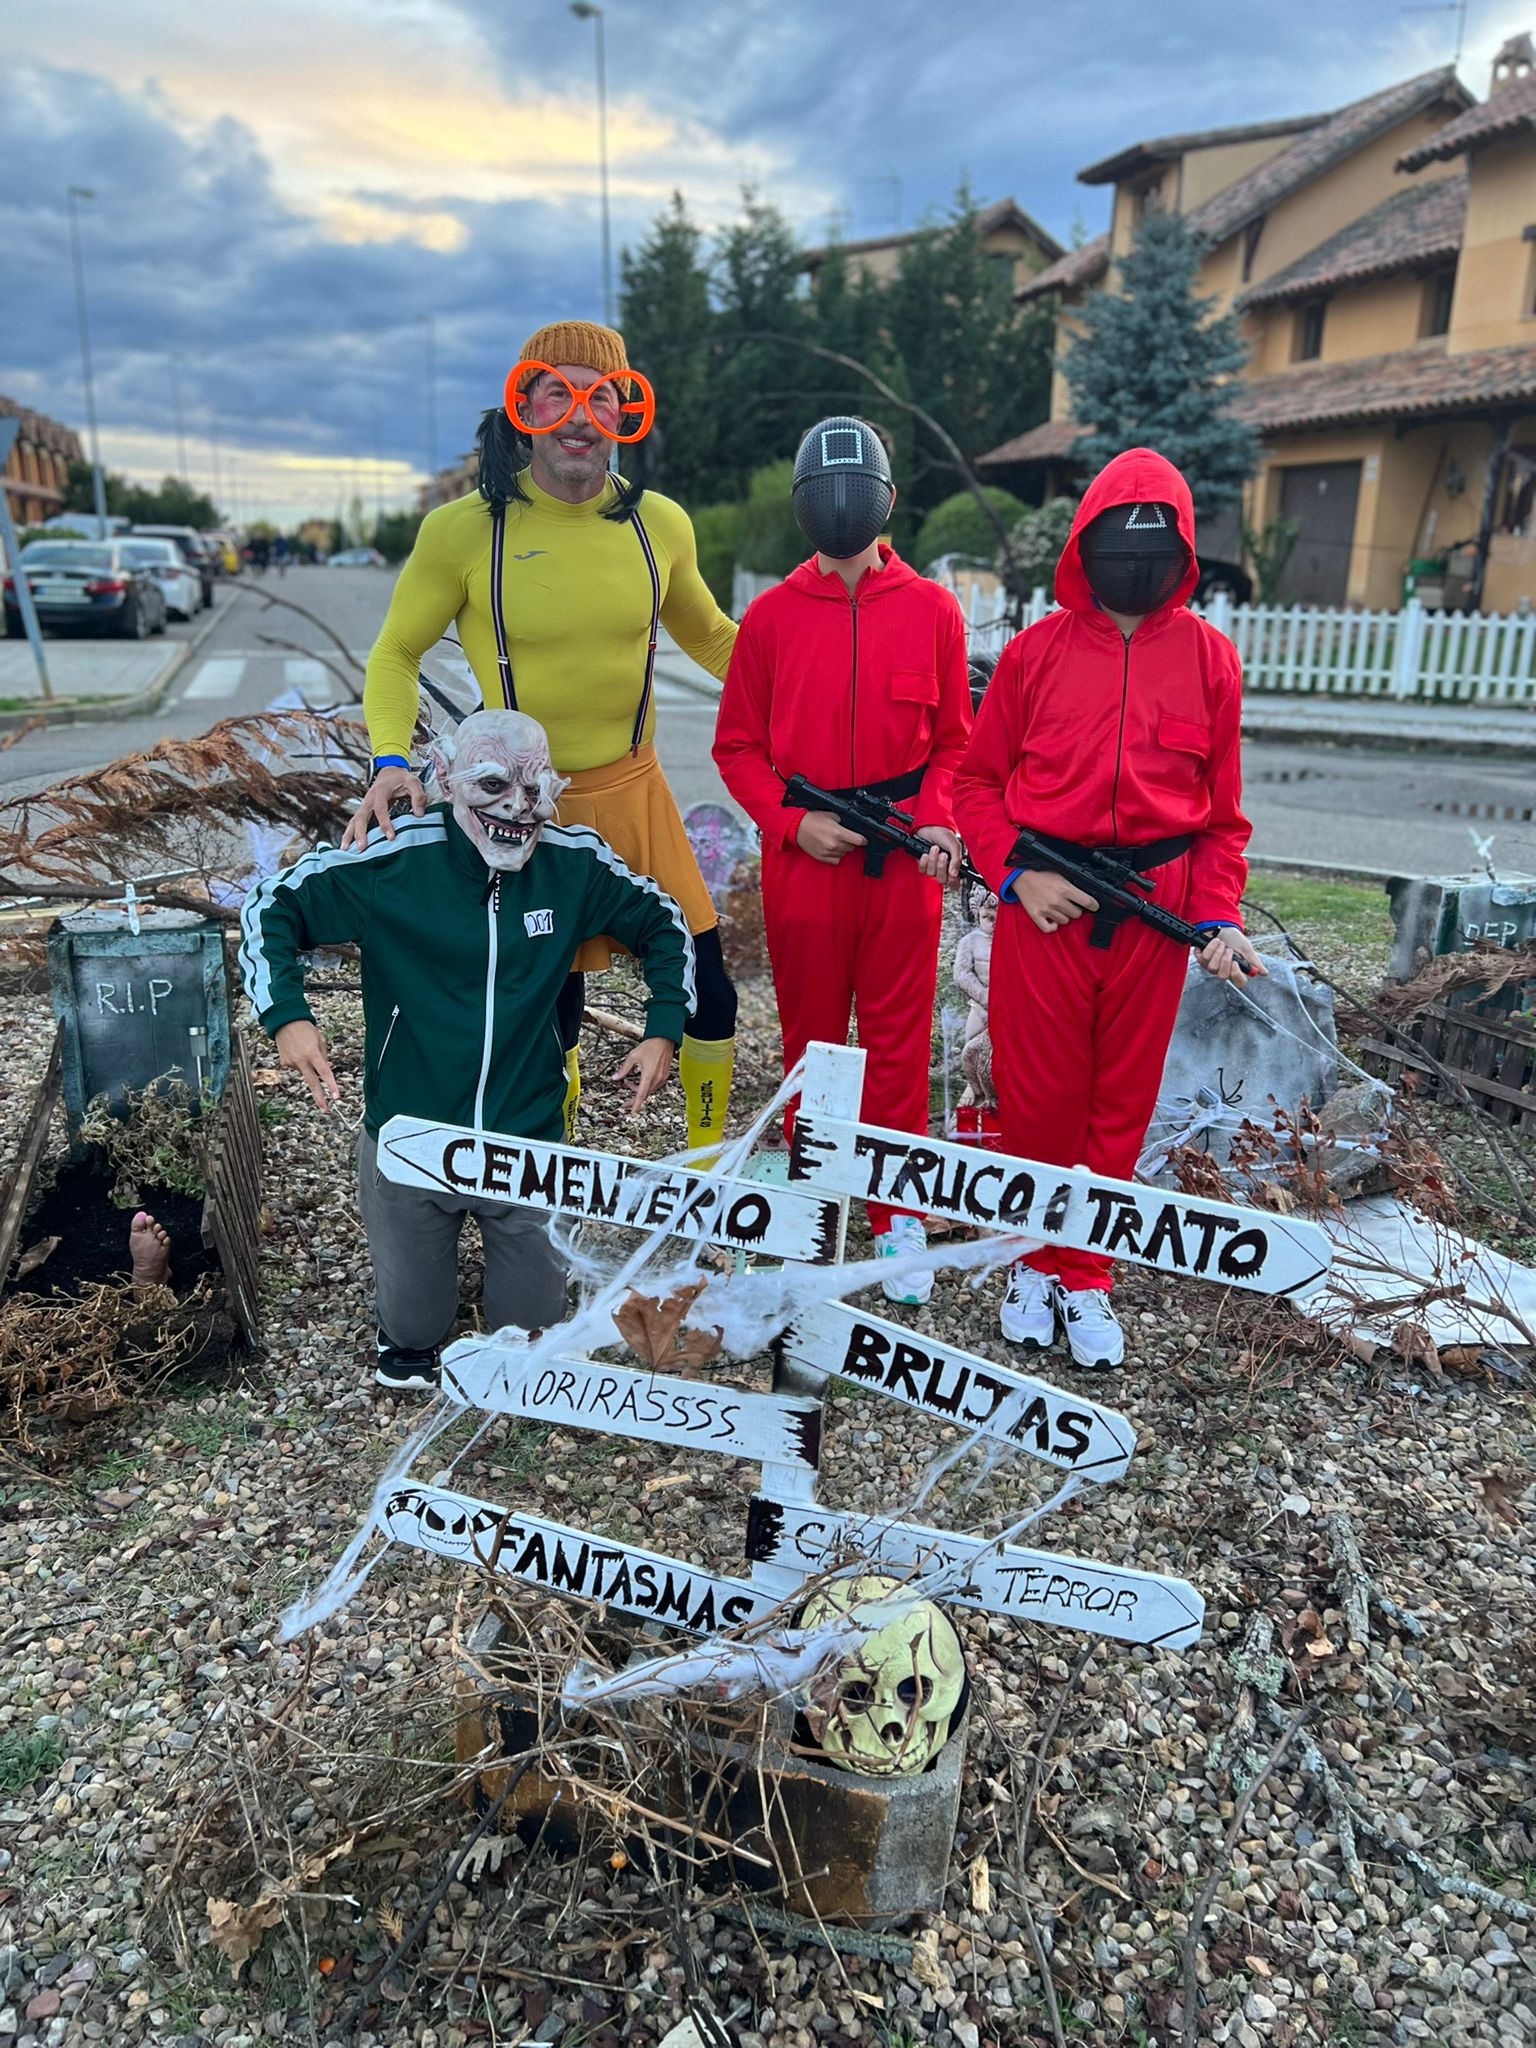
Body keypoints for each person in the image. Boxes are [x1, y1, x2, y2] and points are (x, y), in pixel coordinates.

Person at [344, 321, 739, 1160]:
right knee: (543, 1014)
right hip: (523, 813)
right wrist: (386, 762)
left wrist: (824, 679)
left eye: (603, 396)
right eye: (557, 390)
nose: (580, 415)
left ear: (626, 414)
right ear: (523, 406)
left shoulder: (658, 524)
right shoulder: (463, 529)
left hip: (637, 792)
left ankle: (709, 1173)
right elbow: (396, 653)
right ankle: (545, 1188)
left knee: (709, 991)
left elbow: (716, 641)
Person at [240, 709, 695, 1393]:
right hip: (411, 1133)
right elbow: (272, 906)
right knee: (413, 1335)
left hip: (527, 1139)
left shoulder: (572, 863)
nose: (517, 806)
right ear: (445, 779)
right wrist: (287, 1017)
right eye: (491, 784)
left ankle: (507, 1272)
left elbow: (665, 922)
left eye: (536, 788)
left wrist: (663, 1027)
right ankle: (417, 1298)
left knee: (533, 1336)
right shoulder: (393, 859)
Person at [953, 447, 1265, 1371]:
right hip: (1047, 901)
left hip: (1156, 911)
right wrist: (1015, 875)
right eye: (1116, 541)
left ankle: (1085, 1272)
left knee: (1118, 1102)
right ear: (1084, 545)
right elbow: (975, 784)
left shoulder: (1211, 662)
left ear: (1184, 552)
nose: (1135, 562)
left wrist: (1218, 913)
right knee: (1040, 1093)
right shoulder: (1034, 655)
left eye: (1154, 543)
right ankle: (1029, 1260)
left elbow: (1223, 818)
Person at [713, 416, 971, 1304]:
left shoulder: (936, 611)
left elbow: (954, 744)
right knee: (813, 1040)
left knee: (898, 1041)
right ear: (802, 508)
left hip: (903, 862)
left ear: (888, 503)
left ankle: (898, 1210)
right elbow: (738, 749)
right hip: (808, 860)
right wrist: (792, 823)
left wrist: (938, 820)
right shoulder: (771, 621)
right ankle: (813, 1204)